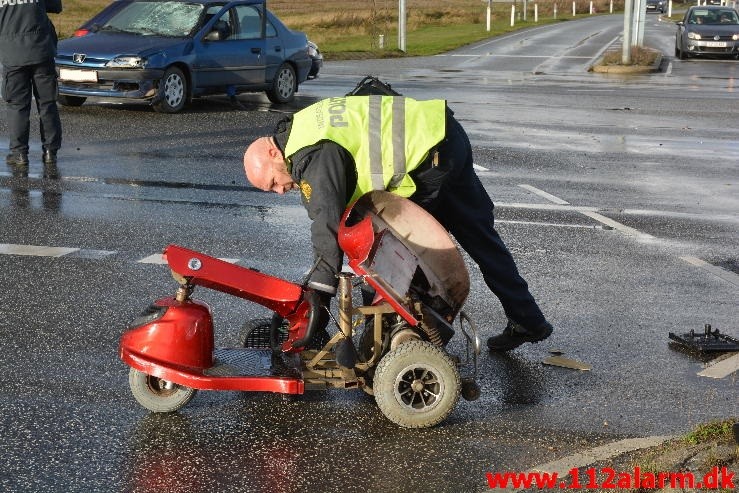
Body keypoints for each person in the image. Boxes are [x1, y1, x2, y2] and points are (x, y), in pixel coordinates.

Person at [243, 95, 553, 351]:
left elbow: (327, 226)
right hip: (442, 133)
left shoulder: (310, 156)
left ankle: (398, 344)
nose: (280, 191)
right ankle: (527, 319)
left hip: (427, 159)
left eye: (273, 183)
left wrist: (319, 292)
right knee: (481, 239)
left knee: (386, 255)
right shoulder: (301, 126)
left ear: (273, 152)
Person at [1, 0, 63, 167]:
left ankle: (19, 154)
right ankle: (50, 152)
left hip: (12, 54)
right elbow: (56, 7)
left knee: (17, 106)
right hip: (41, 50)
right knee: (47, 103)